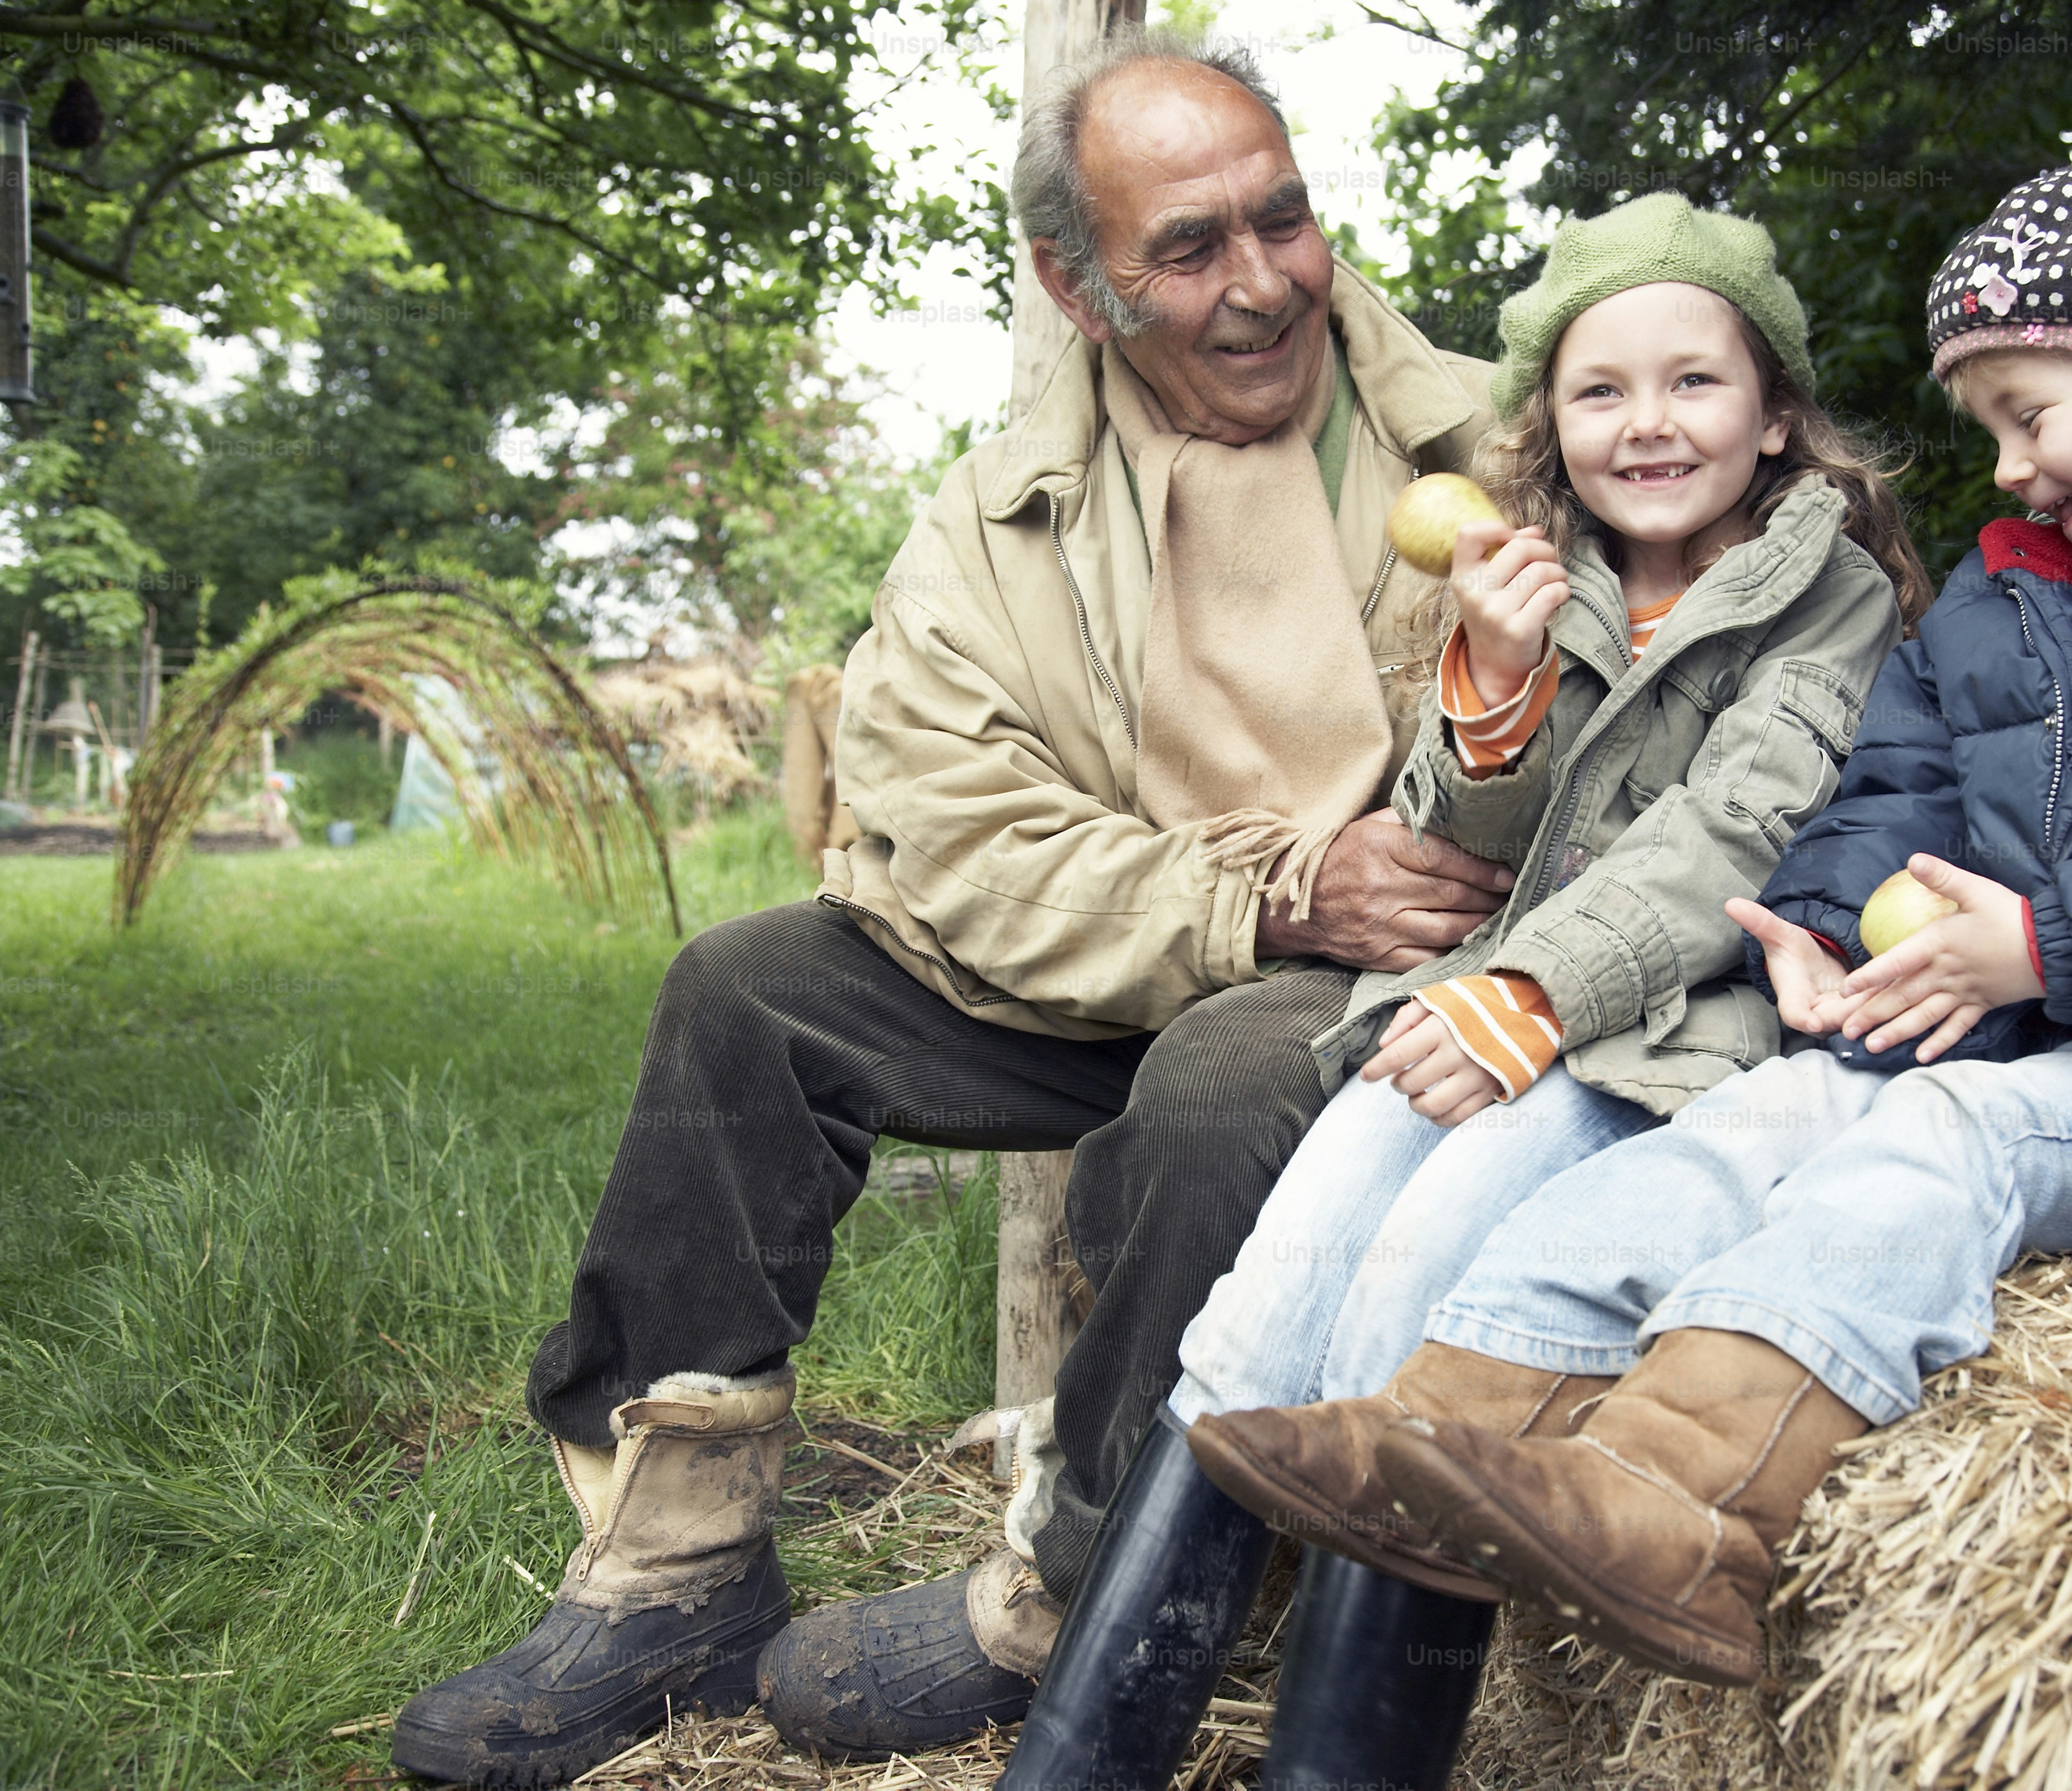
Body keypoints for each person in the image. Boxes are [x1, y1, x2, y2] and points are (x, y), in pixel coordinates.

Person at [1198, 147, 2072, 1698]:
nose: (2010, 469)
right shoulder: (2007, 608)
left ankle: (1689, 1506)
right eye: (1993, 431)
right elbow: (1895, 788)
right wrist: (1827, 928)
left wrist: (2052, 945)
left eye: (2031, 418)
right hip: (2018, 1022)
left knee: (1948, 1142)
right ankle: (1444, 1433)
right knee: (1745, 1130)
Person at [388, 28, 1516, 1789]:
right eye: (1188, 249)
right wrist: (1266, 894)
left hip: (1389, 976)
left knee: (1221, 1085)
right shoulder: (992, 529)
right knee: (748, 991)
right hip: (1166, 942)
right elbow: (966, 839)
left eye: (1281, 219)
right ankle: (675, 1571)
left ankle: (1077, 1589)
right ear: (1077, 286)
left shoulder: (1498, 440)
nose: (1260, 284)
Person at [992, 193, 1924, 1791]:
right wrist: (1491, 683)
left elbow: (1740, 828)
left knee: (1416, 1286)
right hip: (1491, 1003)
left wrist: (1539, 993)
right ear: (1550, 428)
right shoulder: (1543, 575)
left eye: (1695, 382)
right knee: (1275, 1281)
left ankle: (1339, 1763)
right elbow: (1465, 843)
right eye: (1600, 390)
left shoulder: (1833, 600)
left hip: (1665, 1030)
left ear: (1776, 417)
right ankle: (1085, 1757)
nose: (1648, 423)